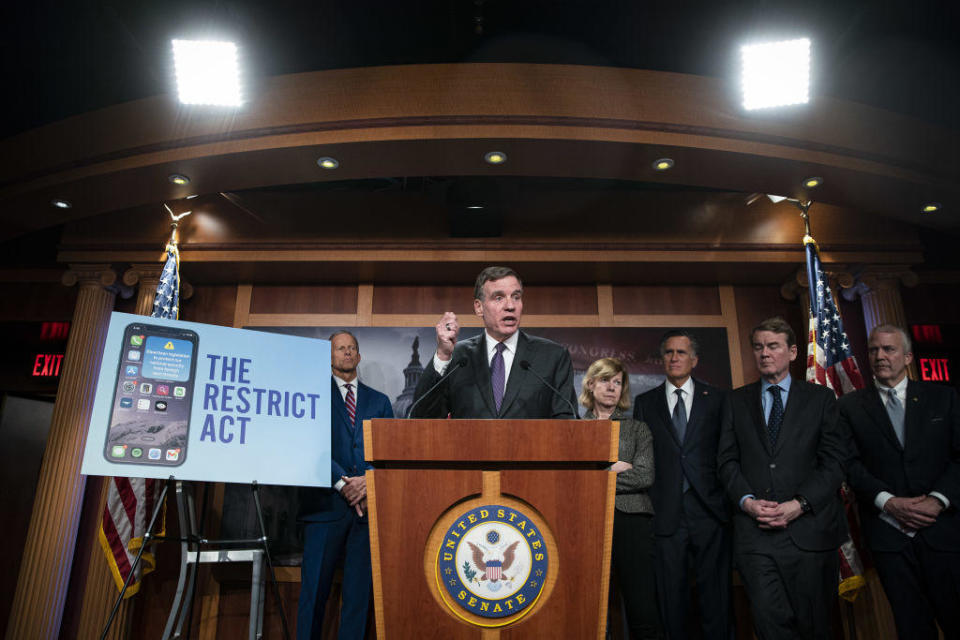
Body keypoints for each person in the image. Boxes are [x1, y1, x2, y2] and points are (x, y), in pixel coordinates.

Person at [717, 317, 846, 640]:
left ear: (791, 352)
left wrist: (799, 504)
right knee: (770, 625)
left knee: (815, 627)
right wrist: (747, 503)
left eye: (773, 346)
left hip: (809, 533)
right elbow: (726, 461)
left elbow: (834, 463)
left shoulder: (820, 400)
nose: (764, 354)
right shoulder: (735, 401)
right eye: (758, 347)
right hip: (755, 537)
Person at [839, 324, 960, 640]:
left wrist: (937, 500)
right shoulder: (850, 407)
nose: (880, 356)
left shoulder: (943, 398)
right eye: (874, 350)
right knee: (911, 627)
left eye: (889, 349)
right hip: (888, 536)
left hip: (944, 532)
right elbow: (848, 464)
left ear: (907, 356)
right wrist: (888, 501)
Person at [635, 330, 732, 640]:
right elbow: (643, 456)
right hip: (665, 514)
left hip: (710, 511)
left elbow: (727, 453)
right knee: (671, 598)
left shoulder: (718, 399)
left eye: (680, 352)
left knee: (715, 597)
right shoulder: (645, 403)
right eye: (668, 353)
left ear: (695, 360)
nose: (674, 358)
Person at [297, 331, 394, 640]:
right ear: (330, 356)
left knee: (358, 598)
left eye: (352, 348)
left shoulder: (380, 401)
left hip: (367, 513)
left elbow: (388, 450)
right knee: (314, 594)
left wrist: (368, 482)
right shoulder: (310, 395)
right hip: (324, 509)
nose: (347, 353)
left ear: (359, 356)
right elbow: (307, 447)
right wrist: (342, 483)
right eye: (340, 348)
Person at [410, 265, 576, 419]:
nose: (510, 306)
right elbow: (422, 418)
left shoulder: (552, 356)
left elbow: (566, 421)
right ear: (479, 307)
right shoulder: (459, 356)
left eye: (516, 297)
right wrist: (443, 355)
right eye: (499, 298)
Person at [581, 357, 660, 639]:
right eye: (605, 381)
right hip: (586, 522)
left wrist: (594, 473)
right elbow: (573, 480)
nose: (612, 388)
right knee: (591, 608)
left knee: (642, 608)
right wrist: (611, 469)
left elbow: (644, 476)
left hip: (632, 521)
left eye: (617, 382)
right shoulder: (575, 429)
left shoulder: (638, 429)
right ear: (591, 385)